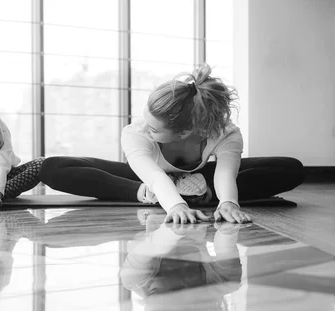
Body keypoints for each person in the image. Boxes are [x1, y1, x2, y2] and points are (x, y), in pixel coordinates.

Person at [39, 64, 304, 224]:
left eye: (154, 128)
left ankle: (199, 192)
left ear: (185, 131)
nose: (146, 128)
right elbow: (155, 175)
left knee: (290, 168)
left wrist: (228, 203)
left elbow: (225, 172)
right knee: (53, 167)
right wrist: (176, 205)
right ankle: (153, 194)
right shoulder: (136, 133)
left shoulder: (225, 132)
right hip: (145, 179)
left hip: (202, 178)